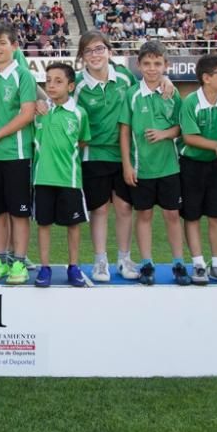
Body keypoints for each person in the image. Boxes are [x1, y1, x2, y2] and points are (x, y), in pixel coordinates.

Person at [74, 30, 148, 283]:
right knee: (99, 210)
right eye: (88, 51)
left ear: (109, 51)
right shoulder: (78, 84)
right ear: (82, 56)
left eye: (99, 49)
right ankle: (100, 261)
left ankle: (124, 258)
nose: (94, 55)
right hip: (93, 154)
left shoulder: (126, 77)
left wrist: (167, 83)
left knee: (125, 207)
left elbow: (144, 93)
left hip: (124, 154)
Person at [119, 42, 192, 286]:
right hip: (142, 168)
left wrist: (165, 134)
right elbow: (124, 131)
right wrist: (127, 165)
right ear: (139, 65)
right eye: (147, 63)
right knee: (145, 214)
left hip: (170, 167)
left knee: (172, 215)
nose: (152, 68)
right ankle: (147, 263)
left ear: (166, 65)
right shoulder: (132, 95)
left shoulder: (172, 93)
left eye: (157, 63)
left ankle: (179, 263)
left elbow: (183, 127)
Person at [0, 21, 37, 285]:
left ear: (14, 45)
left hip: (18, 155)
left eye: (2, 42)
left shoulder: (24, 75)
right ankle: (1, 258)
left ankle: (19, 262)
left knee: (19, 212)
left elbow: (27, 113)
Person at [179, 53, 217, 286]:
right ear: (207, 77)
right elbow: (189, 137)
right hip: (191, 165)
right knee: (192, 215)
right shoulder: (191, 102)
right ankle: (197, 263)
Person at [32, 63, 90, 288]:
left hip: (70, 179)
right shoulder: (39, 111)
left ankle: (73, 266)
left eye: (58, 81)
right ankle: (44, 267)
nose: (52, 85)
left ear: (70, 85)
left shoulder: (78, 113)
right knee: (43, 224)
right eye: (48, 81)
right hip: (43, 178)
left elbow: (83, 141)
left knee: (73, 225)